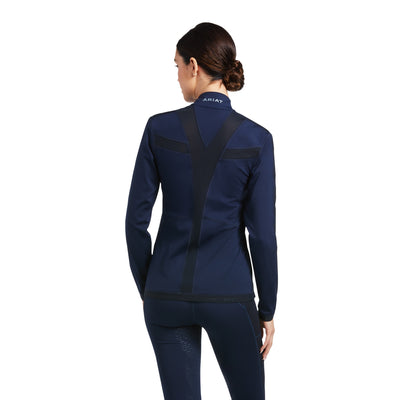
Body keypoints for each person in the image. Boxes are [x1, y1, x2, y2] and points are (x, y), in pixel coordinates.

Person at [125, 22, 278, 400]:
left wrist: (150, 286)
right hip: (230, 297)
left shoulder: (158, 128)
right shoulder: (257, 139)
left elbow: (135, 223)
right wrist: (267, 307)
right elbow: (262, 235)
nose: (177, 76)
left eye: (177, 66)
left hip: (166, 295)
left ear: (194, 65)